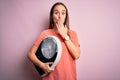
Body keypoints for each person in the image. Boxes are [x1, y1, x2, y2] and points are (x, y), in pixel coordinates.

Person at [27, 2, 80, 80]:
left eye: (63, 13)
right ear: (52, 16)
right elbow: (30, 54)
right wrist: (42, 65)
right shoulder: (45, 33)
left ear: (66, 16)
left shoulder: (72, 34)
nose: (60, 16)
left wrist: (65, 35)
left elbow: (76, 55)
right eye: (56, 13)